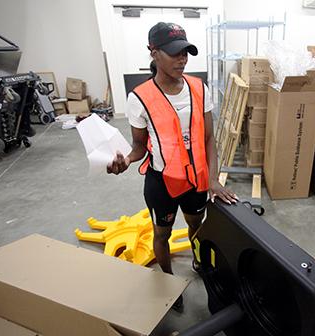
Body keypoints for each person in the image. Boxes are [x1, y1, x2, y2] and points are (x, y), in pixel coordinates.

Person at [107, 22, 237, 311]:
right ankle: (168, 283)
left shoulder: (199, 88)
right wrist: (125, 161)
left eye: (186, 53)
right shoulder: (139, 98)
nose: (182, 59)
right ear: (153, 52)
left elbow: (209, 137)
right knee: (162, 234)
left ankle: (199, 260)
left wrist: (213, 179)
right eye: (174, 53)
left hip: (195, 181)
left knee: (196, 225)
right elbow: (139, 146)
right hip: (161, 183)